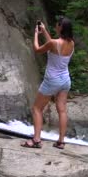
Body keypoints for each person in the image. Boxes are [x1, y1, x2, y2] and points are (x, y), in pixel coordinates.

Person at [21, 16, 74, 149]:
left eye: (57, 25)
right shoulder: (71, 43)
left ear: (61, 27)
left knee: (37, 108)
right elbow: (53, 43)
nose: (55, 26)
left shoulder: (55, 43)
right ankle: (61, 142)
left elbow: (37, 49)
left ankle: (36, 140)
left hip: (52, 81)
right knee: (62, 110)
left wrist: (35, 35)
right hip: (65, 80)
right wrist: (44, 31)